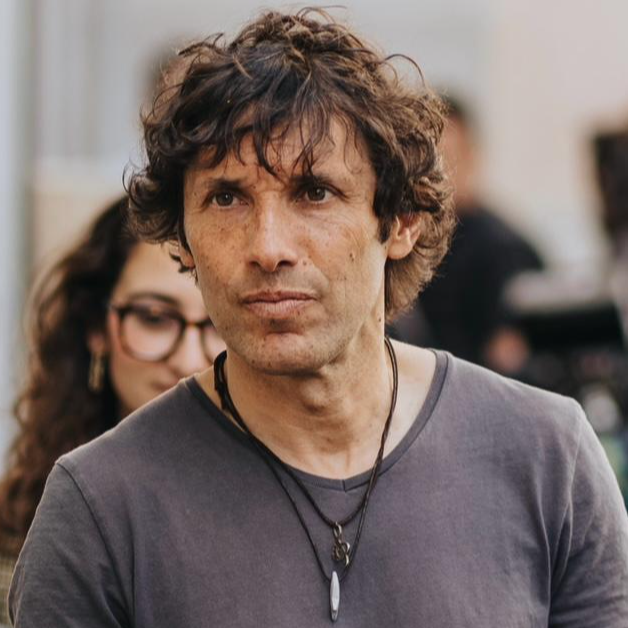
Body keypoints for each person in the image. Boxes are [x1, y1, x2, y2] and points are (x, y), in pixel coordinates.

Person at [10, 10, 628, 627]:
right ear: (184, 239)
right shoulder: (100, 508)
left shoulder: (546, 459)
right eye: (226, 197)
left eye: (314, 192)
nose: (268, 246)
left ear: (401, 221)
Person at [0, 196, 224, 623]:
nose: (187, 357)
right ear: (96, 328)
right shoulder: (22, 534)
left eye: (217, 323)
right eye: (154, 317)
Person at [393, 97, 543, 375]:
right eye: (424, 165)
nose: (434, 178)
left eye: (447, 161)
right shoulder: (403, 244)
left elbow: (514, 366)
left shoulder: (504, 250)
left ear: (472, 157)